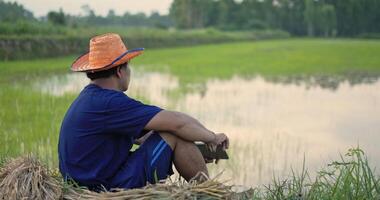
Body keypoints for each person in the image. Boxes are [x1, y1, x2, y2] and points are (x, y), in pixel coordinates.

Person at [58, 33, 229, 191]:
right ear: (119, 71)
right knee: (174, 133)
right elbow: (177, 122)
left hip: (84, 185)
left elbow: (142, 137)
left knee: (174, 135)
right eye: (128, 67)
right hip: (105, 188)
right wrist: (212, 137)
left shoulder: (90, 98)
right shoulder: (109, 102)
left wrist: (192, 153)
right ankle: (210, 193)